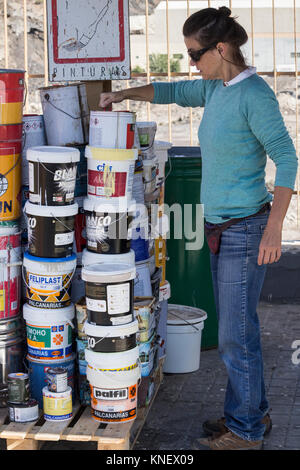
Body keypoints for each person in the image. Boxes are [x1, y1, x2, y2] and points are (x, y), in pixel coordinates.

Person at [99, 6, 298, 451]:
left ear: (221, 49)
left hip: (246, 229)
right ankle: (249, 414)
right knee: (237, 329)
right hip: (220, 229)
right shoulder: (217, 87)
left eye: (194, 54)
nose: (191, 63)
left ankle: (245, 432)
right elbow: (173, 90)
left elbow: (287, 159)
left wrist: (274, 229)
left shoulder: (255, 95)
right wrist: (123, 94)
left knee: (233, 334)